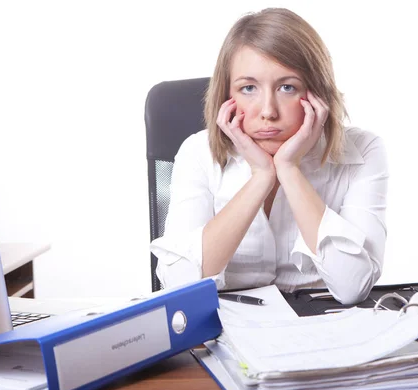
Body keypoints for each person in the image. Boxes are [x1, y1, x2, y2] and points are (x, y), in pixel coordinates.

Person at [150, 8, 388, 305]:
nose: (268, 111)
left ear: (317, 93)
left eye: (287, 87)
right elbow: (178, 287)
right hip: (226, 329)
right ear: (227, 96)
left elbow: (353, 286)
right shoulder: (199, 152)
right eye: (248, 88)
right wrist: (261, 177)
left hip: (322, 329)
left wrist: (289, 169)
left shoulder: (363, 151)